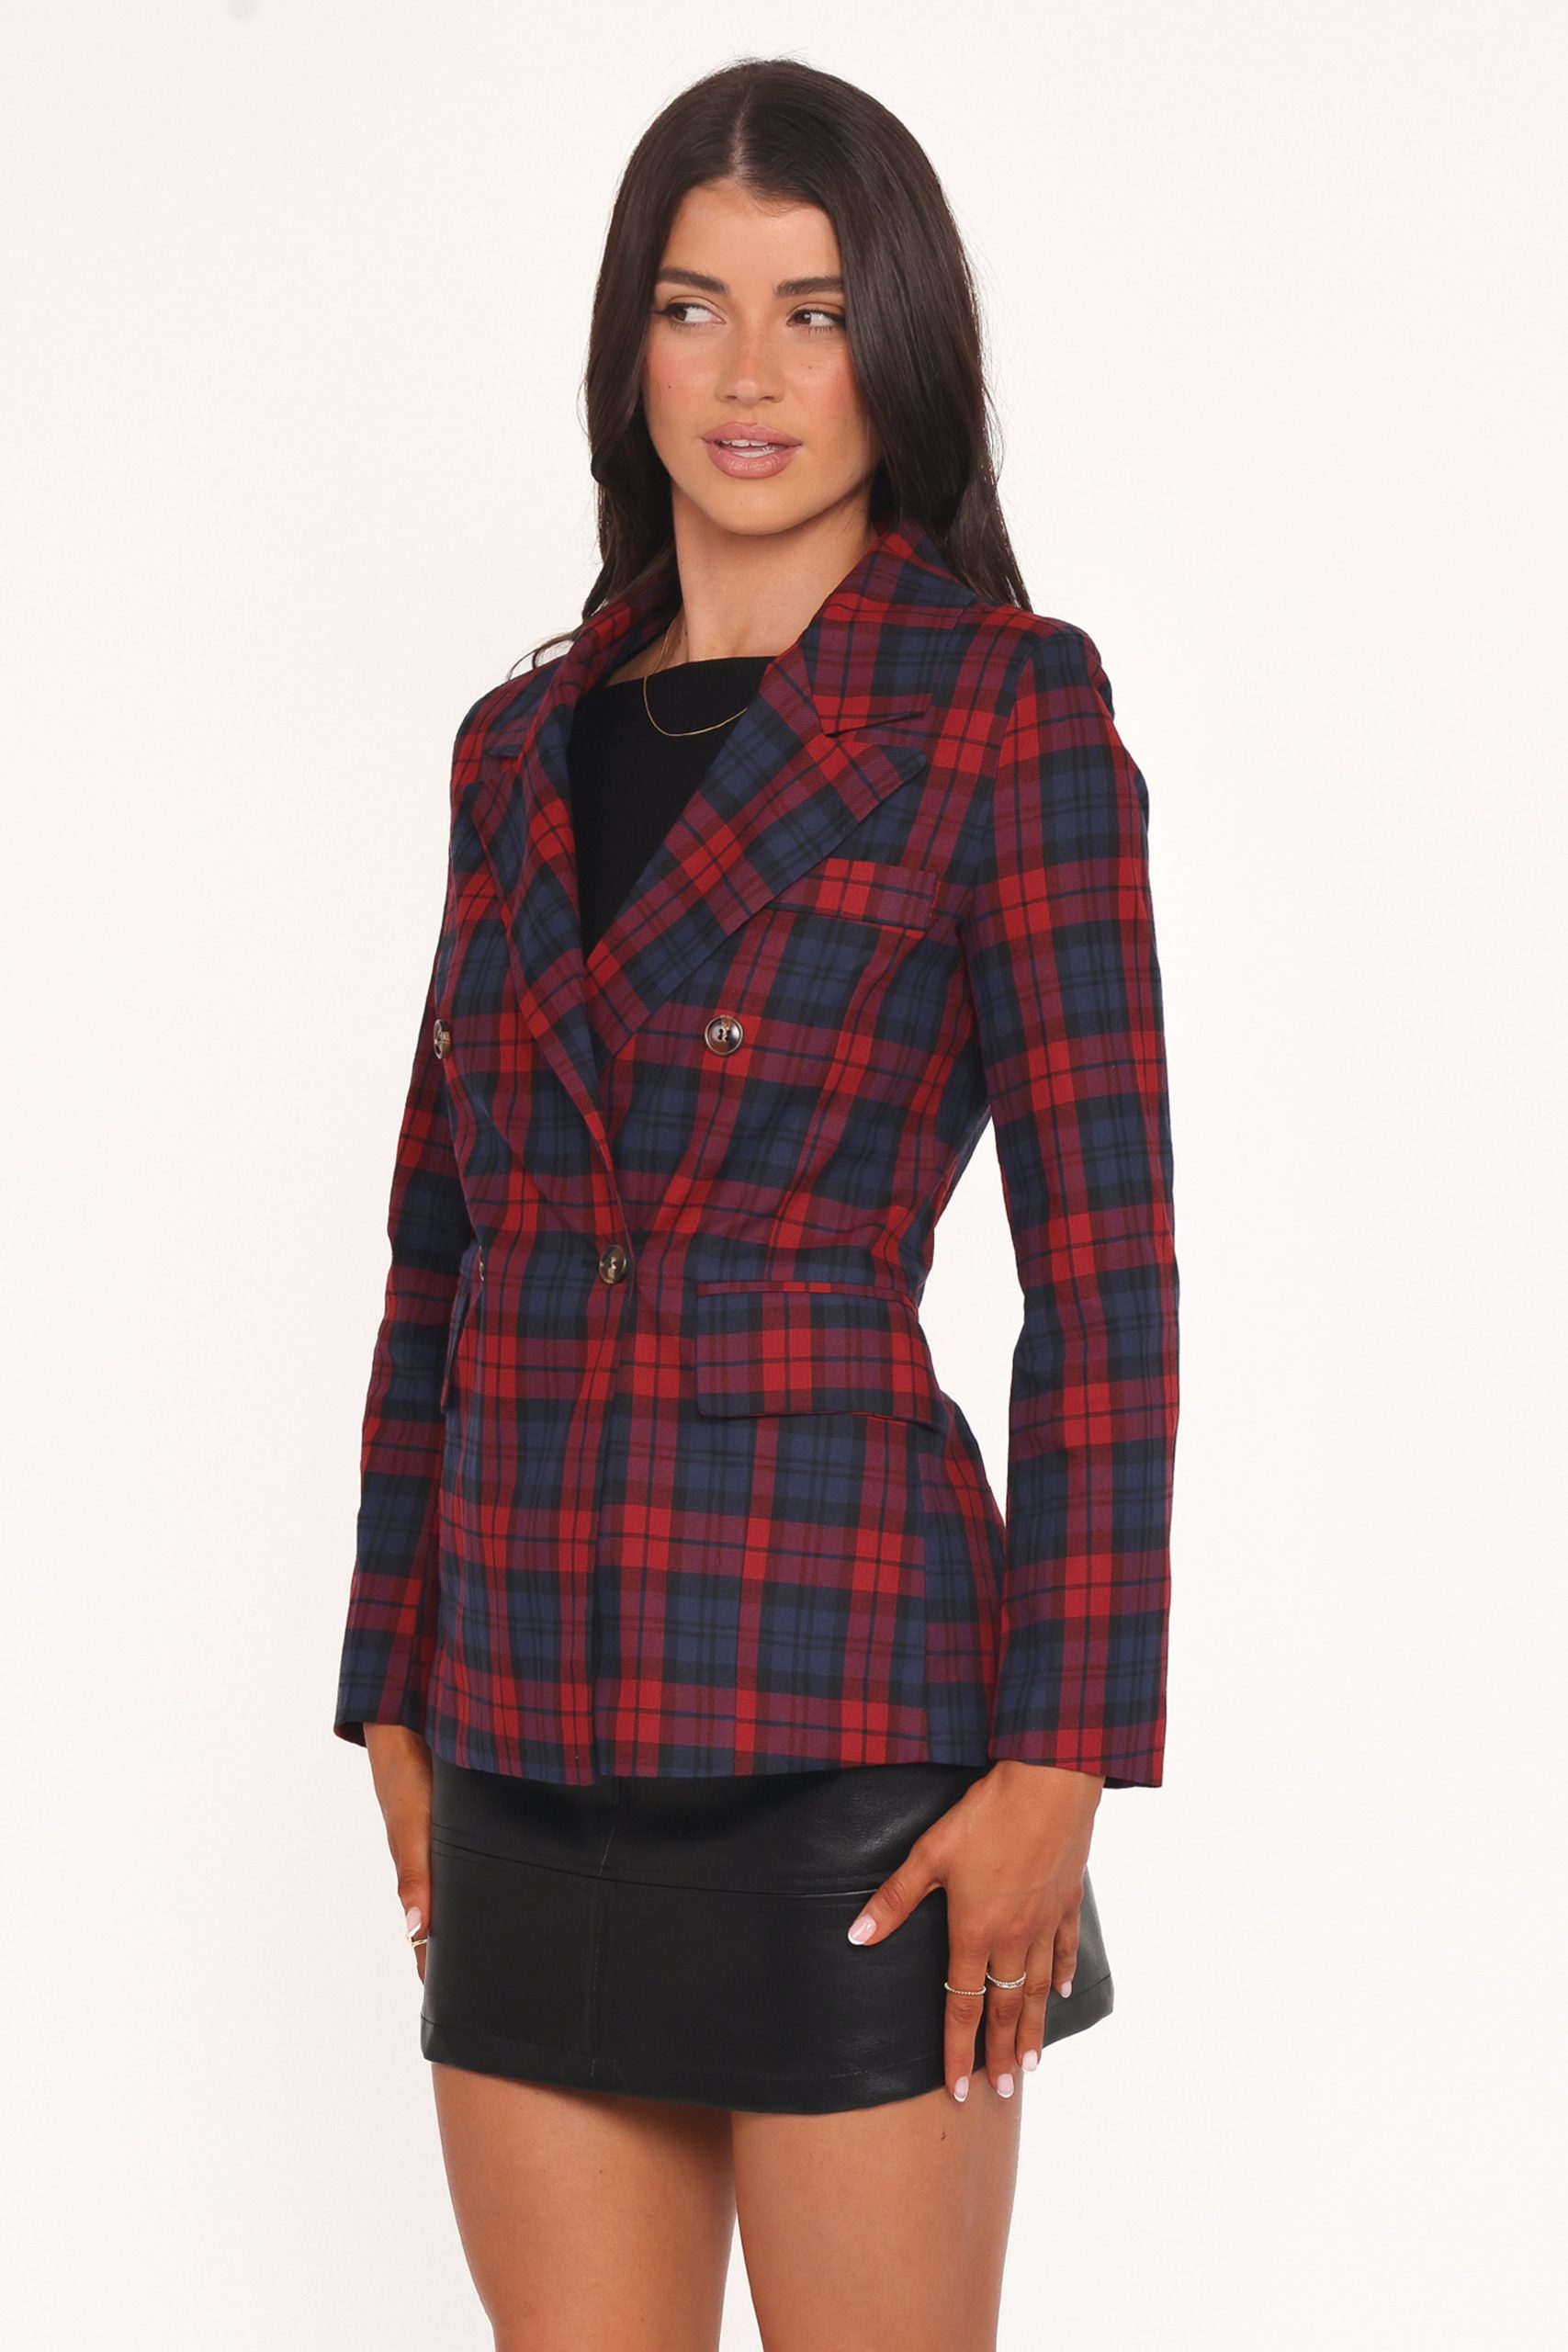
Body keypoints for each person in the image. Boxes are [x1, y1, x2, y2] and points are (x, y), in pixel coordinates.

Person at [332, 54, 1179, 2352]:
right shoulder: (512, 747)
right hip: (513, 1707)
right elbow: (439, 1245)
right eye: (693, 306)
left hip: (846, 1726)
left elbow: (1103, 1275)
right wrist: (386, 1670)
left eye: (811, 313)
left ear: (895, 349)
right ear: (628, 344)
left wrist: (1058, 1754)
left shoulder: (1002, 713)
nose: (749, 374)